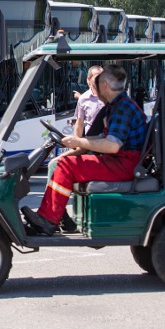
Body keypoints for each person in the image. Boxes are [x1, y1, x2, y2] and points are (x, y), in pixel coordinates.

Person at [23, 65, 146, 236]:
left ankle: (49, 220)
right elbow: (104, 138)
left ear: (105, 86)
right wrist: (76, 142)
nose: (94, 91)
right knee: (62, 163)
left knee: (66, 165)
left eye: (97, 86)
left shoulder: (122, 108)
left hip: (124, 163)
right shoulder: (116, 106)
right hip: (120, 160)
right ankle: (52, 216)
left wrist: (79, 141)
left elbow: (112, 145)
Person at [46, 65, 104, 233]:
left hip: (100, 146)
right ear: (88, 80)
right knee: (55, 162)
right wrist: (73, 144)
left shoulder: (108, 98)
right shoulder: (84, 99)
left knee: (56, 164)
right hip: (87, 144)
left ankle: (55, 215)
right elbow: (79, 125)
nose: (99, 81)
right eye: (95, 78)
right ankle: (59, 214)